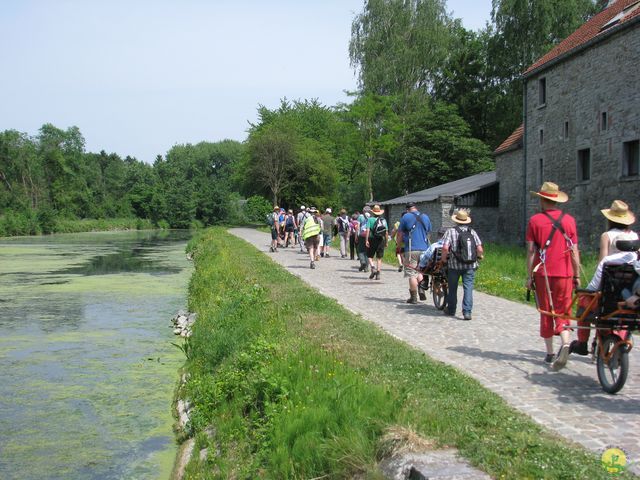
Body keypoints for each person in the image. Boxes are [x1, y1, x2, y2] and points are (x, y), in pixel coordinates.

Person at [525, 182, 580, 370]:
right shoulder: (570, 220)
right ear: (556, 200)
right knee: (563, 309)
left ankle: (549, 353)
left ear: (542, 199)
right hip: (565, 272)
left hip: (544, 273)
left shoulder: (535, 221)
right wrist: (577, 274)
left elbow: (532, 251)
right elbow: (574, 250)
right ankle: (565, 343)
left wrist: (528, 276)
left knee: (547, 311)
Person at [571, 201, 638, 356]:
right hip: (628, 291)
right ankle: (620, 338)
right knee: (615, 310)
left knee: (585, 302)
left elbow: (603, 262)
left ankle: (582, 342)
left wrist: (587, 290)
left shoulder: (607, 235)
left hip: (609, 289)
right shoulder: (634, 236)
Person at [440, 210, 483, 320]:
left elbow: (445, 248)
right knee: (468, 288)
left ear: (456, 220)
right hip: (469, 265)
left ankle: (451, 310)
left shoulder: (451, 231)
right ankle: (467, 312)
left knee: (453, 288)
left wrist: (444, 260)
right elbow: (480, 249)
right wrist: (478, 257)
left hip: (454, 265)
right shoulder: (472, 231)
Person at [397, 202, 432, 304]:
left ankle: (413, 298)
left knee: (411, 273)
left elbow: (400, 234)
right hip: (425, 249)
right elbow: (428, 233)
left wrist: (398, 246)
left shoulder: (406, 217)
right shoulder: (425, 216)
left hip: (412, 248)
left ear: (407, 209)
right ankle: (421, 289)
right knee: (419, 271)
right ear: (416, 208)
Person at [365, 204, 388, 280]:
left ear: (373, 212)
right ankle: (378, 273)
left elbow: (368, 230)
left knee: (369, 256)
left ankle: (372, 267)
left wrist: (366, 240)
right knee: (379, 257)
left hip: (372, 239)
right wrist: (386, 242)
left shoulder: (370, 219)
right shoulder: (383, 220)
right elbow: (386, 232)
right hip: (381, 239)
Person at [357, 207, 371, 272]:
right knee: (367, 251)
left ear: (363, 211)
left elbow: (357, 227)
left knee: (360, 250)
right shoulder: (371, 218)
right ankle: (366, 268)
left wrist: (357, 236)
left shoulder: (360, 217)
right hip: (369, 236)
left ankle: (362, 262)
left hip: (362, 235)